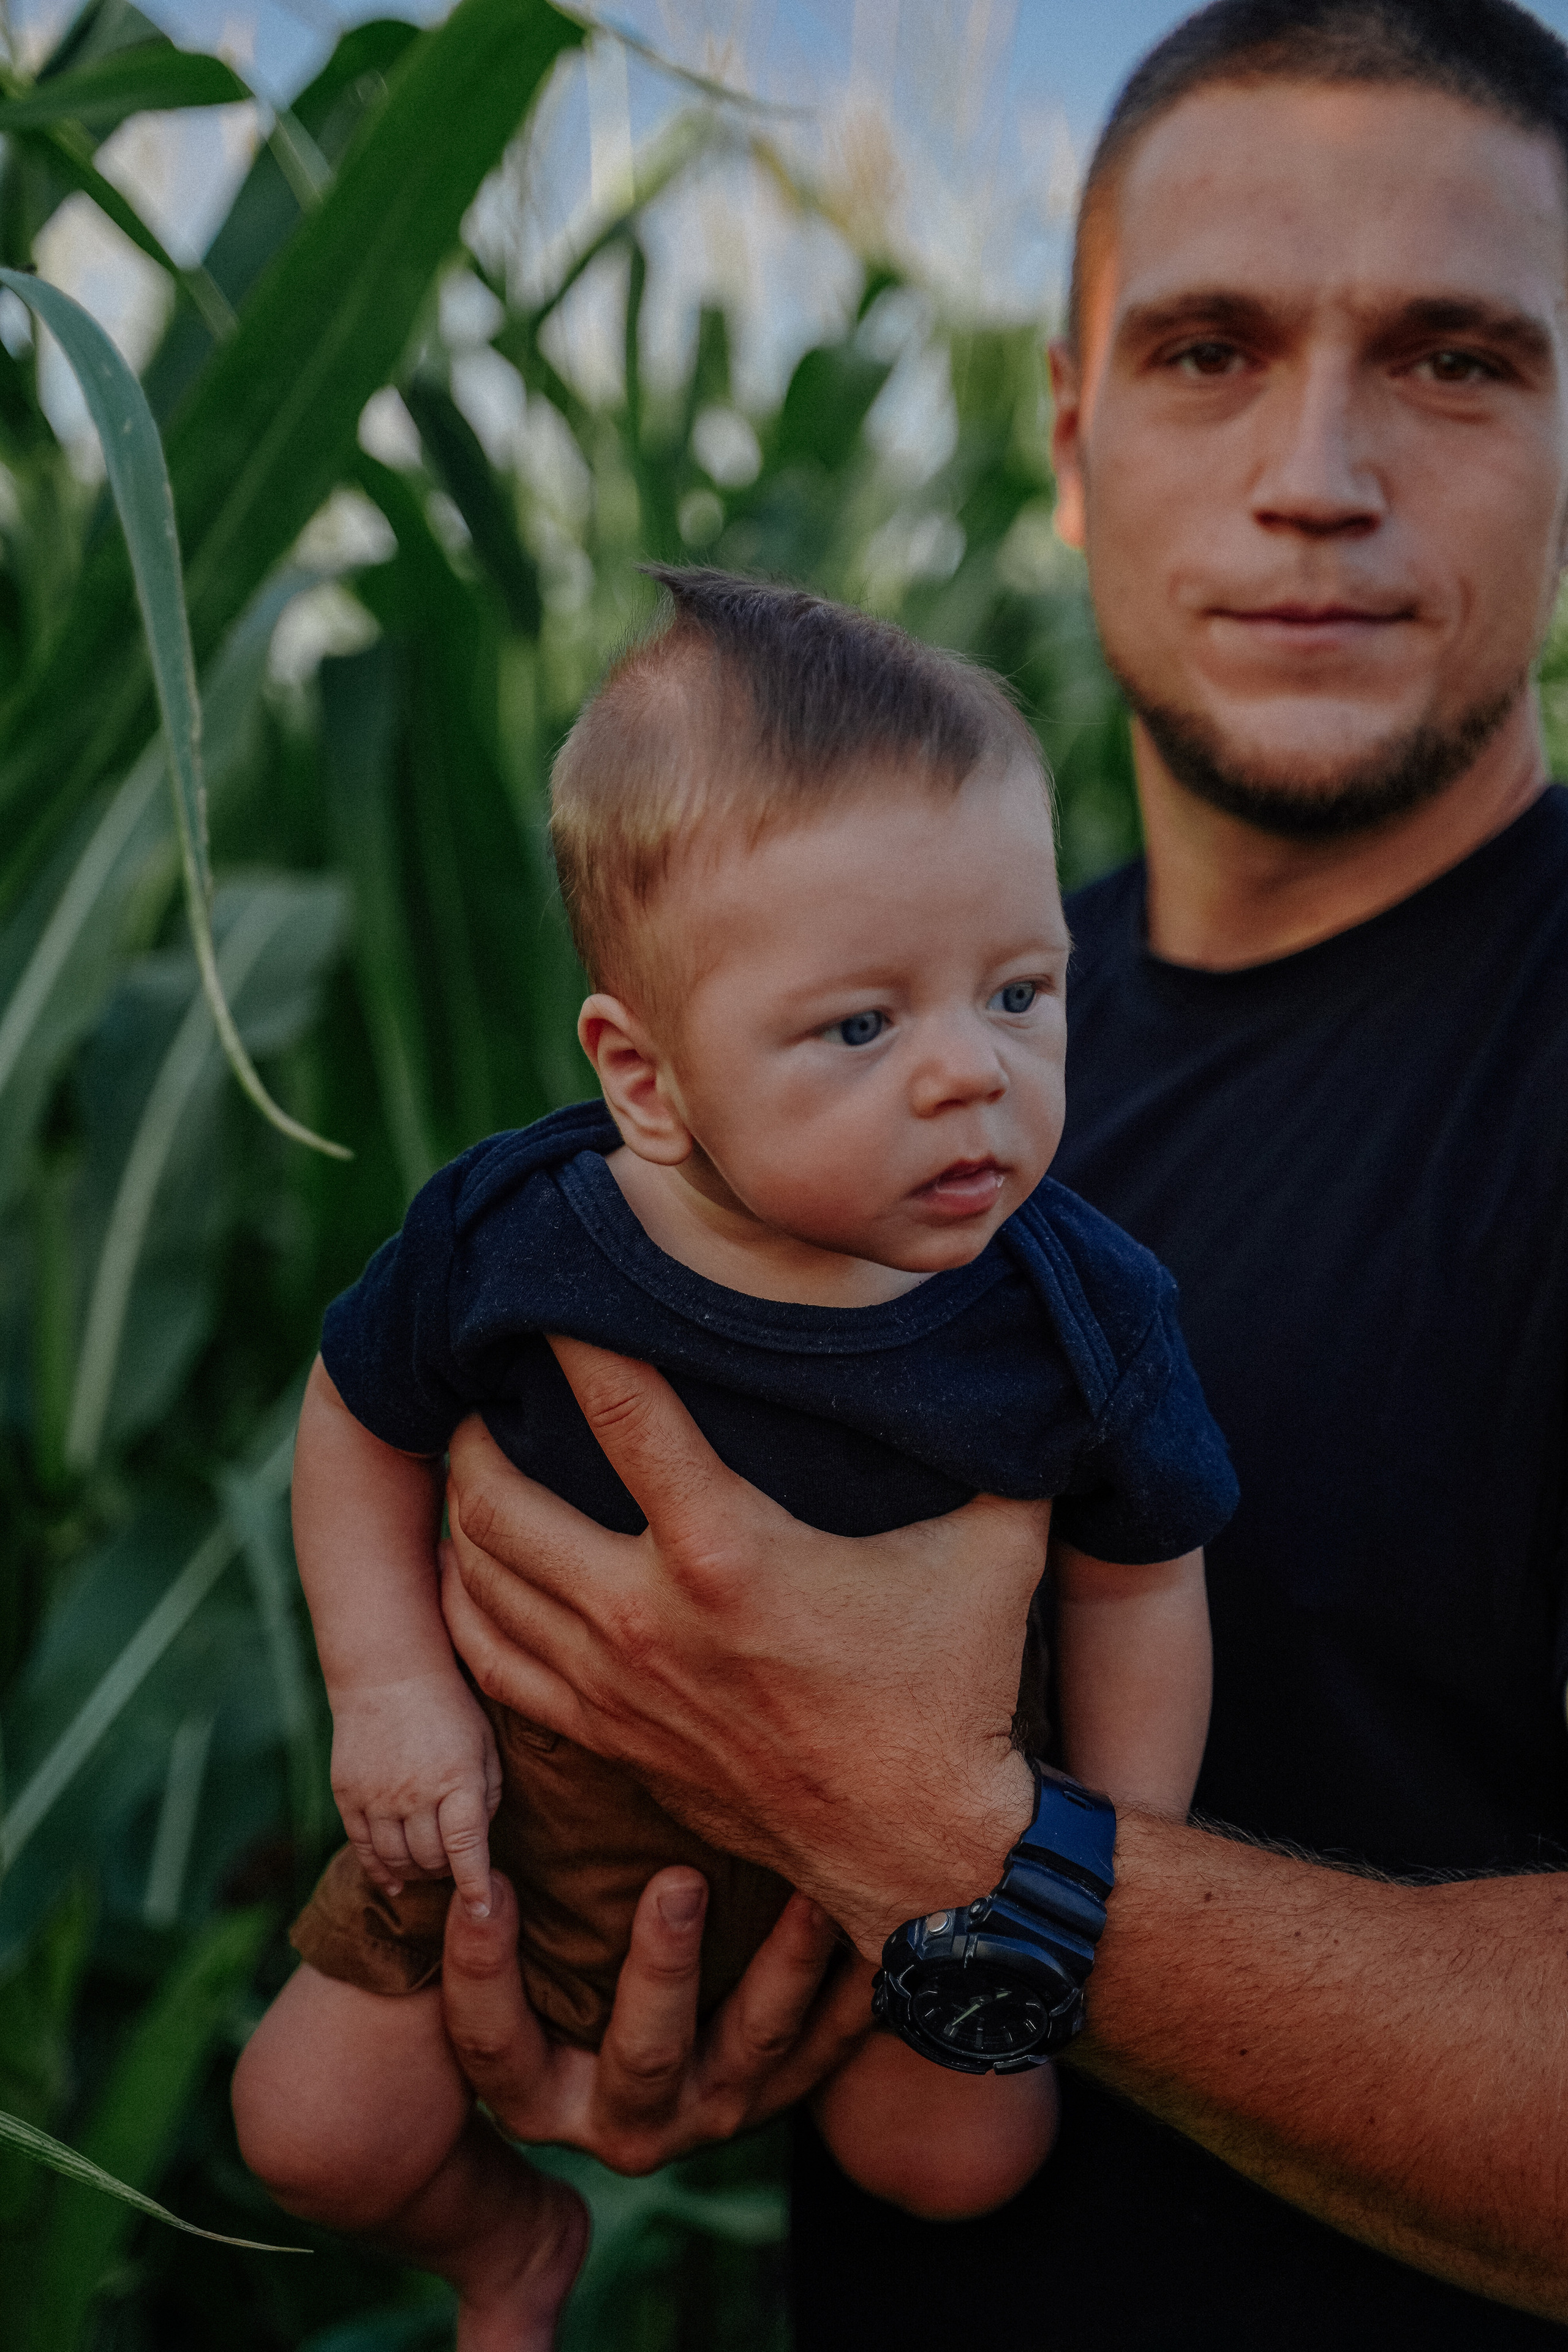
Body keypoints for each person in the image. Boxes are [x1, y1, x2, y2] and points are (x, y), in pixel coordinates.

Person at [424, 1, 1568, 2344]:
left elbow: (879, 1788)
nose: (1319, 473)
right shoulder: (864, 1064)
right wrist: (595, 1908)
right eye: (1207, 351)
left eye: (1457, 360)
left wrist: (955, 1855)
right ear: (1064, 436)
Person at [230, 574, 1239, 2347]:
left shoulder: (1081, 1313)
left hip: (892, 1885)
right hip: (507, 1836)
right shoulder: (513, 1234)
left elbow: (1142, 1574)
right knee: (311, 2131)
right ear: (643, 1077)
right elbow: (358, 1418)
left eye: (1019, 992)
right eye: (863, 1027)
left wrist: (1118, 1861)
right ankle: (509, 2253)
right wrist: (389, 1691)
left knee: (958, 2157)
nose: (969, 1079)